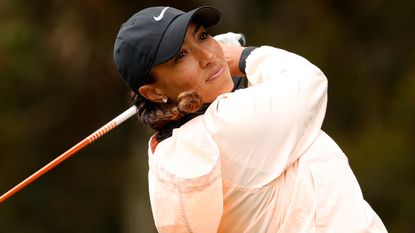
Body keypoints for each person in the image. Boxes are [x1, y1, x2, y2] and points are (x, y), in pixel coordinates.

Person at [113, 6, 388, 233]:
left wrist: (220, 71)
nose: (208, 55)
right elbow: (308, 82)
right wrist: (245, 57)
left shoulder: (176, 147)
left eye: (203, 36)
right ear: (153, 91)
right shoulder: (222, 130)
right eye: (181, 55)